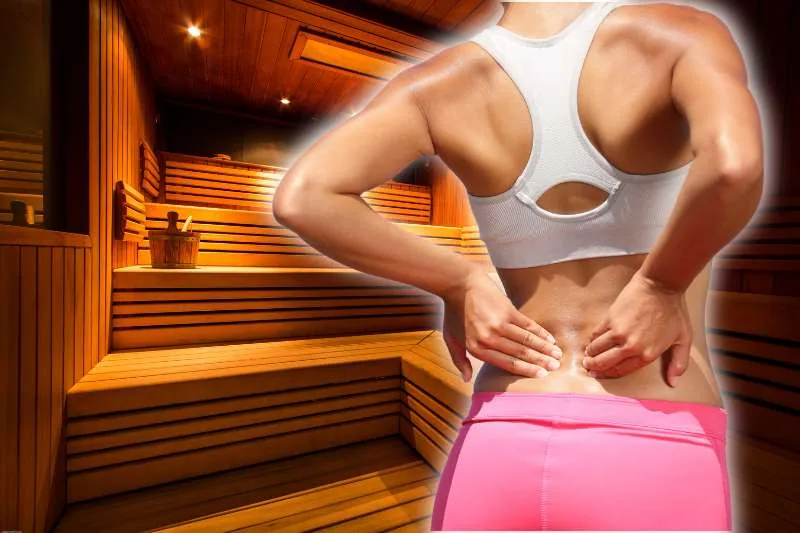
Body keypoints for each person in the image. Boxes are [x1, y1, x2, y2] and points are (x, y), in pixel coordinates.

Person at [273, 0, 764, 530]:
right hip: (657, 437)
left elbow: (304, 197)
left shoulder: (438, 83)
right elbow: (734, 166)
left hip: (500, 437)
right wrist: (661, 284)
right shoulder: (676, 32)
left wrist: (459, 282)